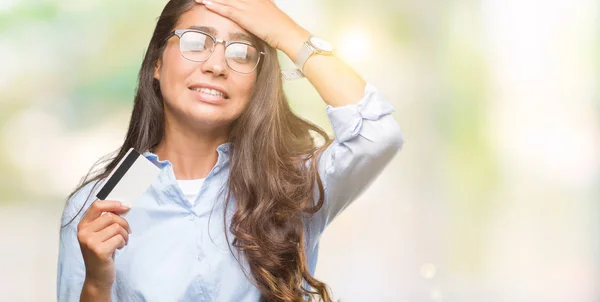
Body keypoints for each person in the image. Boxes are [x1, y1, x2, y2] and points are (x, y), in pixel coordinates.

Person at [57, 0, 403, 301]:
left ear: (256, 83)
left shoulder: (291, 187)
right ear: (157, 64)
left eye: (241, 52)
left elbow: (378, 133)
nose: (216, 65)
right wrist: (97, 285)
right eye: (196, 42)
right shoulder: (102, 206)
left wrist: (285, 31)